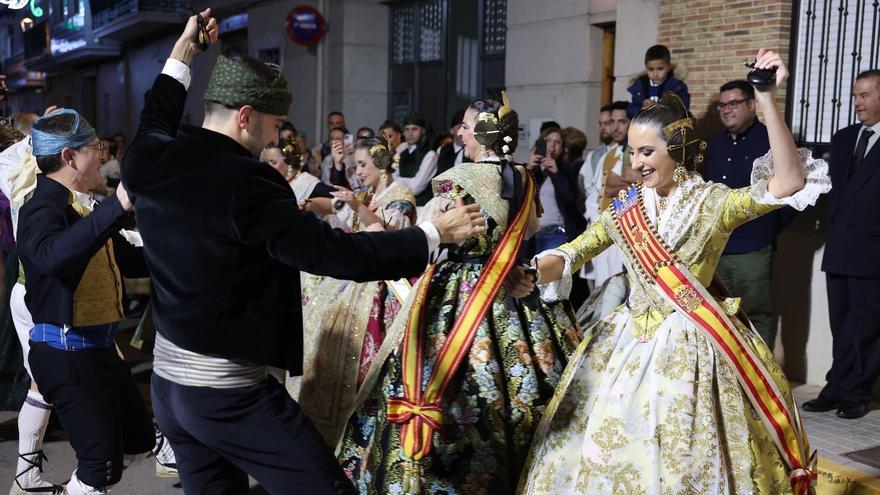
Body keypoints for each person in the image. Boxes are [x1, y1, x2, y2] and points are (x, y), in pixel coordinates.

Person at [121, 11, 484, 494]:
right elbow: (336, 255)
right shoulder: (247, 182)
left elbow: (157, 111)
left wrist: (184, 52)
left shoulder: (147, 156)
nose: (275, 137)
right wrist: (432, 234)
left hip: (169, 388)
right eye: (272, 125)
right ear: (245, 116)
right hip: (227, 393)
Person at [516, 50, 830, 495]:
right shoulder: (625, 207)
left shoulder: (712, 202)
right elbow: (575, 250)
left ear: (676, 150)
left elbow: (788, 183)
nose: (638, 162)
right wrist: (530, 270)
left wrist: (766, 99)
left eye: (648, 151)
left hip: (694, 346)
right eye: (632, 152)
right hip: (626, 342)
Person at [337, 94, 581, 495]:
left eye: (467, 127)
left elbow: (437, 229)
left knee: (438, 376)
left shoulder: (457, 180)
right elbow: (533, 227)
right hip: (508, 284)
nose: (461, 133)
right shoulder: (523, 176)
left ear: (482, 134)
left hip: (459, 291)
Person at [17, 109, 158, 495]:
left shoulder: (85, 206)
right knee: (100, 467)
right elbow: (54, 257)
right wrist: (118, 205)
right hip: (64, 354)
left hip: (98, 352)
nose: (102, 154)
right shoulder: (39, 209)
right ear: (69, 157)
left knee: (138, 441)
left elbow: (130, 263)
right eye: (95, 147)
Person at [294, 137, 417, 446]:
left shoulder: (400, 194)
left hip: (384, 281)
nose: (359, 171)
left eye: (363, 165)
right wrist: (313, 205)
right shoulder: (368, 192)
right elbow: (339, 214)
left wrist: (358, 206)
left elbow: (386, 236)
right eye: (357, 165)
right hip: (358, 275)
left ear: (381, 163)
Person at [804, 69, 880, 420]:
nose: (857, 103)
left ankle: (856, 392)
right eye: (855, 96)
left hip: (873, 250)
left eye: (864, 95)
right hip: (840, 246)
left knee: (867, 327)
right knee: (842, 323)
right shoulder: (844, 137)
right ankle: (836, 386)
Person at [705, 79, 795, 351]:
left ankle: (761, 387)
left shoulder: (772, 140)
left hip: (752, 249)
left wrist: (766, 229)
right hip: (716, 248)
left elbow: (791, 194)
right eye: (722, 105)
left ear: (752, 104)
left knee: (754, 317)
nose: (726, 110)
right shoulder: (715, 144)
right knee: (716, 315)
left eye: (733, 103)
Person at [579, 101, 637, 324]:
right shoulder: (607, 155)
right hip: (602, 229)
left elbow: (630, 186)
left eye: (621, 121)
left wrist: (622, 184)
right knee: (599, 294)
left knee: (617, 295)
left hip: (625, 232)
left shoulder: (634, 152)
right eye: (612, 122)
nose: (615, 128)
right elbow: (602, 190)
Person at [527, 127, 585, 253]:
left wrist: (556, 172)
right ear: (541, 142)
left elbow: (570, 198)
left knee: (551, 272)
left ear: (562, 148)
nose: (552, 144)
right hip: (531, 235)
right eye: (548, 140)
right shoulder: (532, 170)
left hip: (556, 233)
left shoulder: (567, 171)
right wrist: (529, 168)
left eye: (557, 142)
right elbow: (520, 196)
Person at [627, 44, 690, 118]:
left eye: (660, 69)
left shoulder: (677, 86)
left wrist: (660, 109)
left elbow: (683, 110)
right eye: (651, 69)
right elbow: (631, 110)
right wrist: (642, 109)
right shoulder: (640, 86)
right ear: (646, 68)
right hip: (646, 127)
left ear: (668, 67)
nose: (655, 74)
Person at [394, 112, 438, 207]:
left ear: (423, 130)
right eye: (407, 129)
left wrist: (396, 181)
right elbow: (391, 179)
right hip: (401, 205)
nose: (410, 133)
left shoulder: (430, 155)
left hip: (422, 207)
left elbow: (417, 187)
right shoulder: (401, 153)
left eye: (414, 129)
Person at [578, 105, 614, 201]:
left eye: (606, 123)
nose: (602, 128)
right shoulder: (594, 155)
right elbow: (585, 184)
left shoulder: (629, 151)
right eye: (600, 124)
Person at [435, 110, 466, 176]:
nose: (462, 132)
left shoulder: (474, 151)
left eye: (465, 128)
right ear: (451, 131)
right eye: (459, 127)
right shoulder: (441, 150)